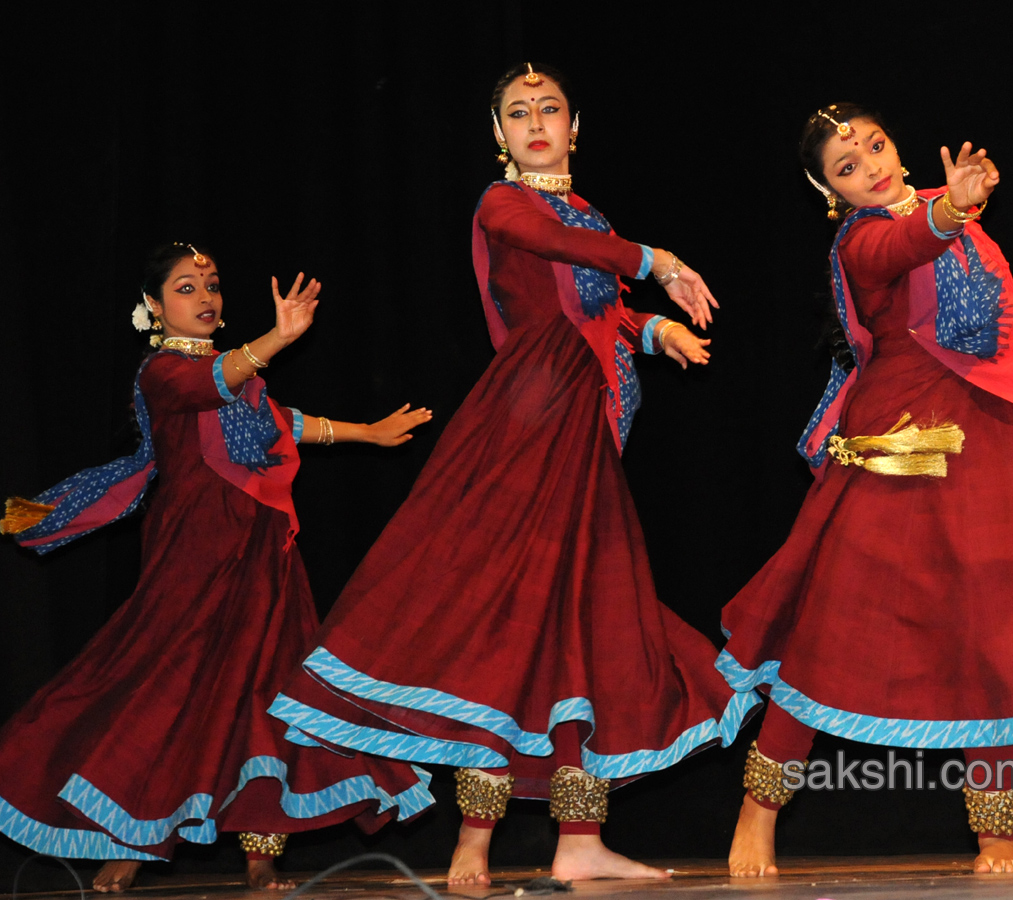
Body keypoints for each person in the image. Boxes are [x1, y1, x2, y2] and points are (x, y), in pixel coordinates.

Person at [269, 63, 759, 885]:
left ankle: (579, 839)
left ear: (576, 124)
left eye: (551, 109)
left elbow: (593, 304)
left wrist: (651, 335)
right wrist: (657, 258)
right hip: (528, 425)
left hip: (586, 431)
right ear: (499, 136)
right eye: (518, 113)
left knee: (584, 624)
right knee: (511, 618)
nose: (536, 122)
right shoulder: (504, 205)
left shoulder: (586, 214)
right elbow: (557, 256)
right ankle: (472, 841)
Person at [719, 102, 1013, 877]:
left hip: (999, 435)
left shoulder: (955, 227)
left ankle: (998, 836)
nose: (871, 165)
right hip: (906, 445)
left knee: (996, 629)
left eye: (875, 146)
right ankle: (757, 813)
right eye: (848, 166)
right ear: (827, 189)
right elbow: (907, 241)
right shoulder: (862, 241)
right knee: (831, 630)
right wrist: (951, 205)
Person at [0, 243, 434, 891]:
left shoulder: (241, 378)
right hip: (197, 554)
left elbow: (276, 422)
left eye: (211, 284)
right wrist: (277, 339)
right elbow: (215, 383)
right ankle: (136, 837)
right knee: (168, 688)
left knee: (271, 691)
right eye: (184, 287)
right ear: (152, 305)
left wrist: (364, 433)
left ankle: (262, 856)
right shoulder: (163, 373)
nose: (205, 297)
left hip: (265, 554)